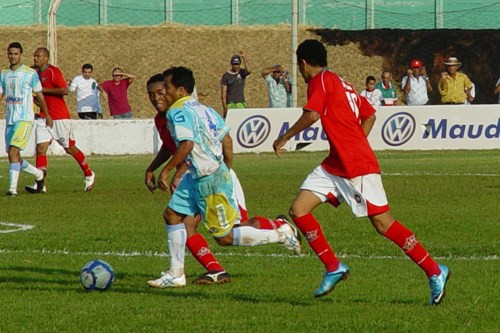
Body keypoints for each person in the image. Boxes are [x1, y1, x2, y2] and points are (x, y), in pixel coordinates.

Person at [273, 39, 449, 305]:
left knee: (383, 223)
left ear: (303, 63)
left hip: (355, 164)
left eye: (299, 65)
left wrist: (283, 138)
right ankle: (333, 266)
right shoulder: (339, 81)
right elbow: (369, 115)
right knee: (299, 209)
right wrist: (353, 142)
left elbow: (311, 115)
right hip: (336, 163)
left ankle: (435, 271)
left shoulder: (319, 81)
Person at [146, 67, 301, 288]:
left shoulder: (177, 111)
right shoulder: (205, 109)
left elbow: (187, 144)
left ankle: (280, 234)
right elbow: (226, 140)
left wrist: (167, 170)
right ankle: (176, 274)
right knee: (172, 215)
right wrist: (225, 167)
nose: (163, 94)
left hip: (208, 178)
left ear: (180, 90)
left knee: (225, 237)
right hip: (200, 176)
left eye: (166, 88)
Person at [26, 47, 95, 193]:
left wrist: (42, 90)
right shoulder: (36, 74)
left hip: (59, 117)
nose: (35, 58)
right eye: (34, 56)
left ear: (46, 58)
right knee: (40, 149)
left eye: (38, 56)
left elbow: (64, 90)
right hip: (44, 117)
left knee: (69, 148)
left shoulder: (53, 71)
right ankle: (41, 184)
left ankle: (89, 173)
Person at [0, 42, 47, 196]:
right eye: (10, 53)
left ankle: (12, 190)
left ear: (21, 55)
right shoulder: (4, 74)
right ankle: (39, 175)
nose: (13, 56)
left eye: (16, 53)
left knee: (13, 151)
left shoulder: (29, 73)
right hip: (10, 119)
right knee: (13, 155)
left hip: (25, 118)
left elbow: (39, 94)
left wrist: (47, 114)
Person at [220, 51, 251, 118]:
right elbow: (223, 94)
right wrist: (225, 108)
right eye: (234, 64)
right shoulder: (226, 76)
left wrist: (244, 58)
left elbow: (249, 70)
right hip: (230, 104)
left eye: (237, 64)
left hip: (240, 103)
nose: (236, 66)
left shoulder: (242, 73)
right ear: (231, 64)